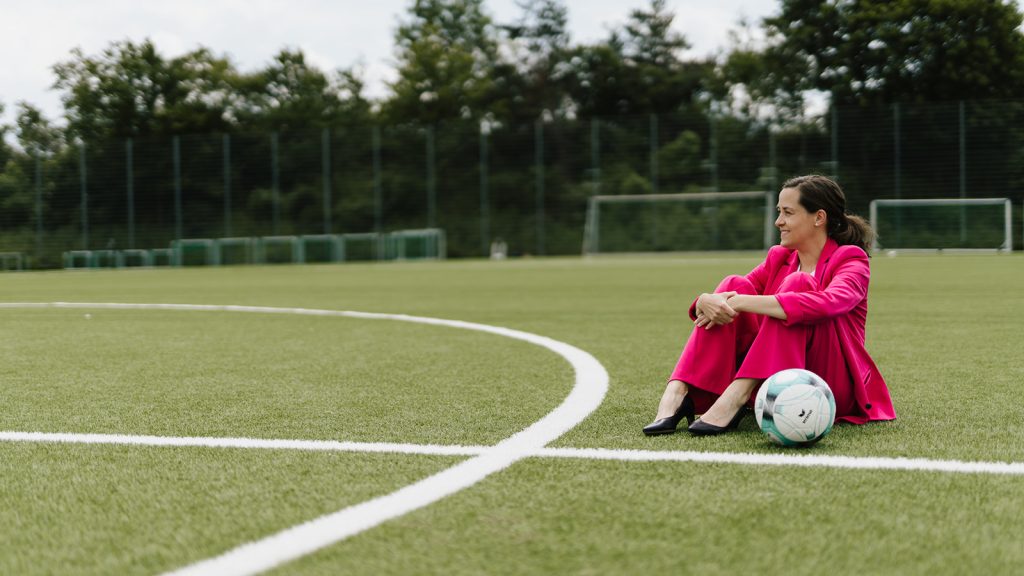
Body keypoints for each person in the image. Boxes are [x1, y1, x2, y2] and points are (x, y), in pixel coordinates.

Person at [643, 175, 896, 436]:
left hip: (829, 381)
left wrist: (738, 302)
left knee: (795, 285)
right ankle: (678, 393)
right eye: (779, 212)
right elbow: (735, 293)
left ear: (819, 218)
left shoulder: (851, 260)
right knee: (735, 282)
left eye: (788, 213)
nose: (778, 222)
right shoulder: (780, 257)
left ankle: (737, 396)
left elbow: (829, 303)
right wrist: (704, 301)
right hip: (777, 372)